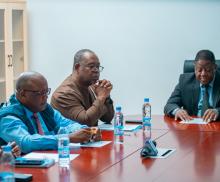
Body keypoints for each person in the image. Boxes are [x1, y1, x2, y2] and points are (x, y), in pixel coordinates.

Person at [0, 71, 101, 153]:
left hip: (49, 162)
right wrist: (67, 138)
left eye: (46, 91)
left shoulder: (43, 108)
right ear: (22, 94)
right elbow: (25, 143)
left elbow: (67, 124)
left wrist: (87, 132)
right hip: (21, 170)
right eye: (40, 93)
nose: (45, 97)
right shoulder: (8, 116)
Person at [51, 49, 114, 126]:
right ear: (77, 67)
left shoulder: (89, 86)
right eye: (91, 66)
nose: (96, 70)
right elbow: (86, 122)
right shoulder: (64, 94)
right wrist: (101, 97)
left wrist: (106, 97)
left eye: (97, 67)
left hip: (90, 137)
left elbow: (107, 118)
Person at [164, 50, 220, 122]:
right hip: (192, 126)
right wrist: (177, 111)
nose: (203, 74)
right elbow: (170, 105)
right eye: (199, 70)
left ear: (214, 68)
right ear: (194, 68)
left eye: (208, 70)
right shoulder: (184, 81)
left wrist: (218, 111)